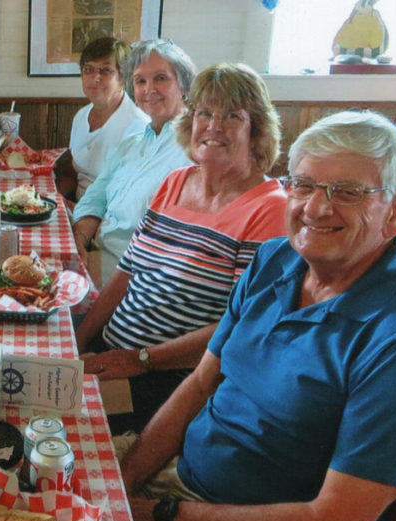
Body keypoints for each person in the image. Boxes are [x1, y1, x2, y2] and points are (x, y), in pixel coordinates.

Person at [118, 110, 396, 521]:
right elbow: (200, 385)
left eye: (347, 191)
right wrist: (124, 484)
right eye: (303, 185)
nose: (316, 208)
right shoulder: (276, 259)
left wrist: (158, 516)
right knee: (26, 482)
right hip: (179, 486)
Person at [77, 63, 287, 434]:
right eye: (204, 113)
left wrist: (140, 359)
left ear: (257, 131)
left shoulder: (269, 209)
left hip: (170, 380)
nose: (213, 126)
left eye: (232, 116)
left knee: (61, 419)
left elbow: (238, 329)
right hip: (115, 350)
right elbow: (125, 276)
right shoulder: (175, 182)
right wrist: (76, 342)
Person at [69, 39, 195, 286]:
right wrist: (80, 239)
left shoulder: (193, 151)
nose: (149, 89)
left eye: (161, 78)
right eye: (140, 81)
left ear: (183, 84)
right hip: (97, 253)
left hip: (136, 277)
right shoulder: (132, 143)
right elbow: (96, 198)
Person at [54, 37, 149, 203]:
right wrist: (51, 199)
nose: (95, 77)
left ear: (123, 77)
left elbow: (126, 201)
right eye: (88, 69)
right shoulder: (81, 117)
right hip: (75, 207)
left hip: (108, 220)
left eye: (105, 70)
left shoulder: (137, 126)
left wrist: (68, 209)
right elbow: (72, 174)